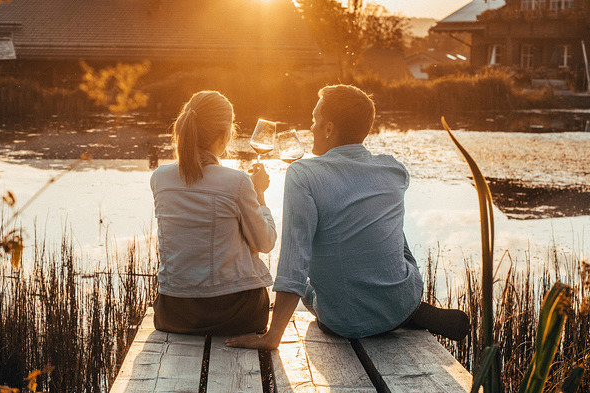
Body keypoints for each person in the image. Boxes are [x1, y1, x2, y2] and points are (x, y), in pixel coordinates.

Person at [227, 85, 469, 349]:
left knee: (309, 290)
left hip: (342, 323)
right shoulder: (395, 170)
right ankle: (407, 308)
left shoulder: (301, 174)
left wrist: (273, 336)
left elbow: (294, 262)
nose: (311, 128)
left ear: (329, 128)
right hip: (401, 300)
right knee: (388, 224)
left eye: (314, 120)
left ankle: (389, 306)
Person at [150, 90, 277, 335]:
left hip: (175, 312)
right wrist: (259, 193)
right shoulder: (237, 182)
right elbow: (265, 242)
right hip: (236, 313)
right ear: (226, 134)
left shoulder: (159, 178)